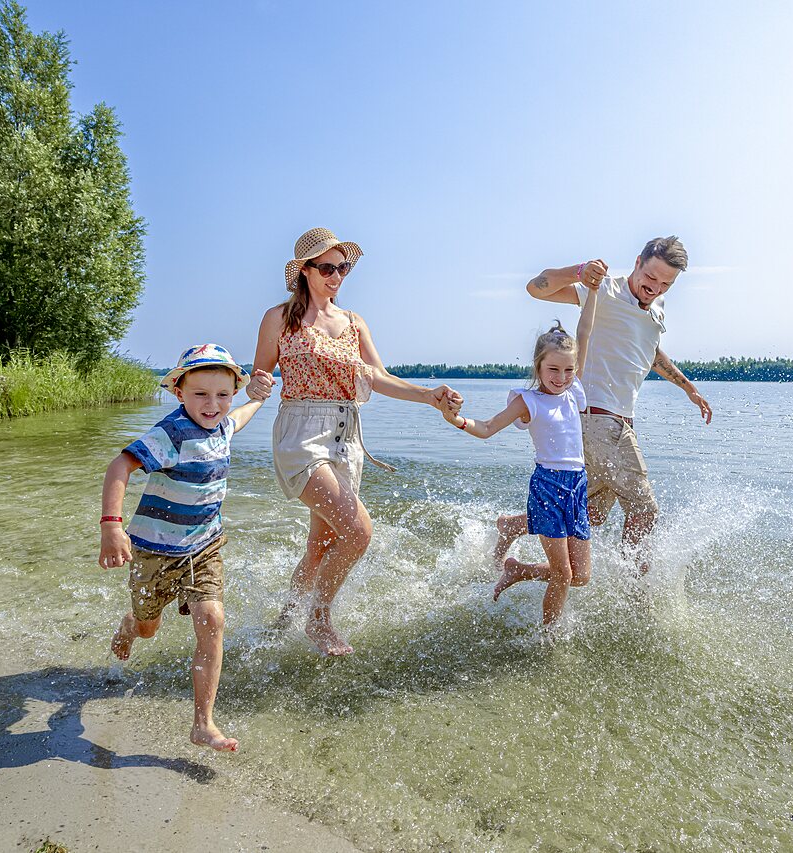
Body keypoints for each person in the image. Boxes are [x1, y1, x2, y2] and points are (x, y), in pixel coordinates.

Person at [248, 227, 462, 656]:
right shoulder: (279, 318)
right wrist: (256, 384)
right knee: (360, 532)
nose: (337, 276)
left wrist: (429, 395)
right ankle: (318, 619)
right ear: (304, 272)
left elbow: (378, 377)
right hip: (301, 433)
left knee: (320, 546)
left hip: (347, 437)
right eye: (327, 267)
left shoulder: (354, 322)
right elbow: (262, 371)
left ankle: (284, 620)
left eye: (342, 267)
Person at [494, 237, 713, 575]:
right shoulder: (606, 291)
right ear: (638, 262)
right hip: (598, 420)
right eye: (651, 277)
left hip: (615, 425)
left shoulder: (656, 309)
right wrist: (580, 272)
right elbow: (536, 288)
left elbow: (649, 352)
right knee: (644, 509)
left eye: (666, 283)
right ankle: (634, 590)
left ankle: (516, 536)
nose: (655, 287)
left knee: (590, 514)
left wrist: (688, 388)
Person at [98, 344, 272, 752]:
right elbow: (120, 466)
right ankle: (130, 625)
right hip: (154, 552)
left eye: (222, 395)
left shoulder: (223, 423)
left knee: (212, 620)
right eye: (200, 394)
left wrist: (257, 400)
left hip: (204, 547)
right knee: (148, 627)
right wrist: (111, 527)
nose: (212, 405)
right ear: (179, 392)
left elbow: (238, 419)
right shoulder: (171, 433)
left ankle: (203, 724)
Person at [441, 282, 599, 625]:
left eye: (568, 370)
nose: (561, 377)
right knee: (564, 575)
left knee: (581, 575)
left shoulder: (574, 391)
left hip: (577, 486)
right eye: (553, 370)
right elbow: (486, 428)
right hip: (548, 485)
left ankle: (518, 567)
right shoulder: (528, 401)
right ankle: (547, 639)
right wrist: (455, 419)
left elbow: (585, 332)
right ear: (538, 367)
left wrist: (593, 292)